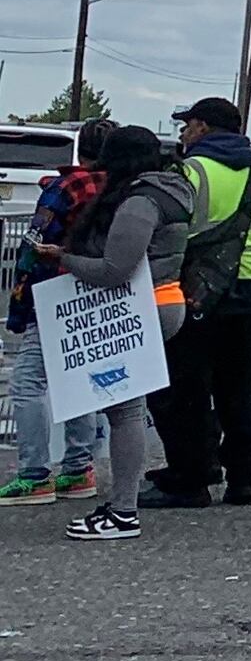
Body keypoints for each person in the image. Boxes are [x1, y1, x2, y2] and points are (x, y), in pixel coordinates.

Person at [47, 124, 194, 542]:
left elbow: (115, 270)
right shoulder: (172, 191)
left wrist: (65, 260)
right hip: (164, 301)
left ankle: (124, 511)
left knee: (124, 410)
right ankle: (121, 506)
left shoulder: (139, 201)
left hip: (142, 308)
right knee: (126, 407)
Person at [144, 95, 251, 508]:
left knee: (188, 387)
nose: (183, 131)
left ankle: (191, 476)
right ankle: (244, 479)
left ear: (203, 128)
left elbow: (172, 230)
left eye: (188, 124)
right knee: (243, 388)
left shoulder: (191, 171)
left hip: (200, 292)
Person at [2, 119, 109, 506]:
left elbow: (36, 247)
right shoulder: (120, 188)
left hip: (53, 291)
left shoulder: (67, 187)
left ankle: (34, 474)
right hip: (97, 290)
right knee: (78, 380)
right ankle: (79, 469)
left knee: (28, 382)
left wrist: (20, 305)